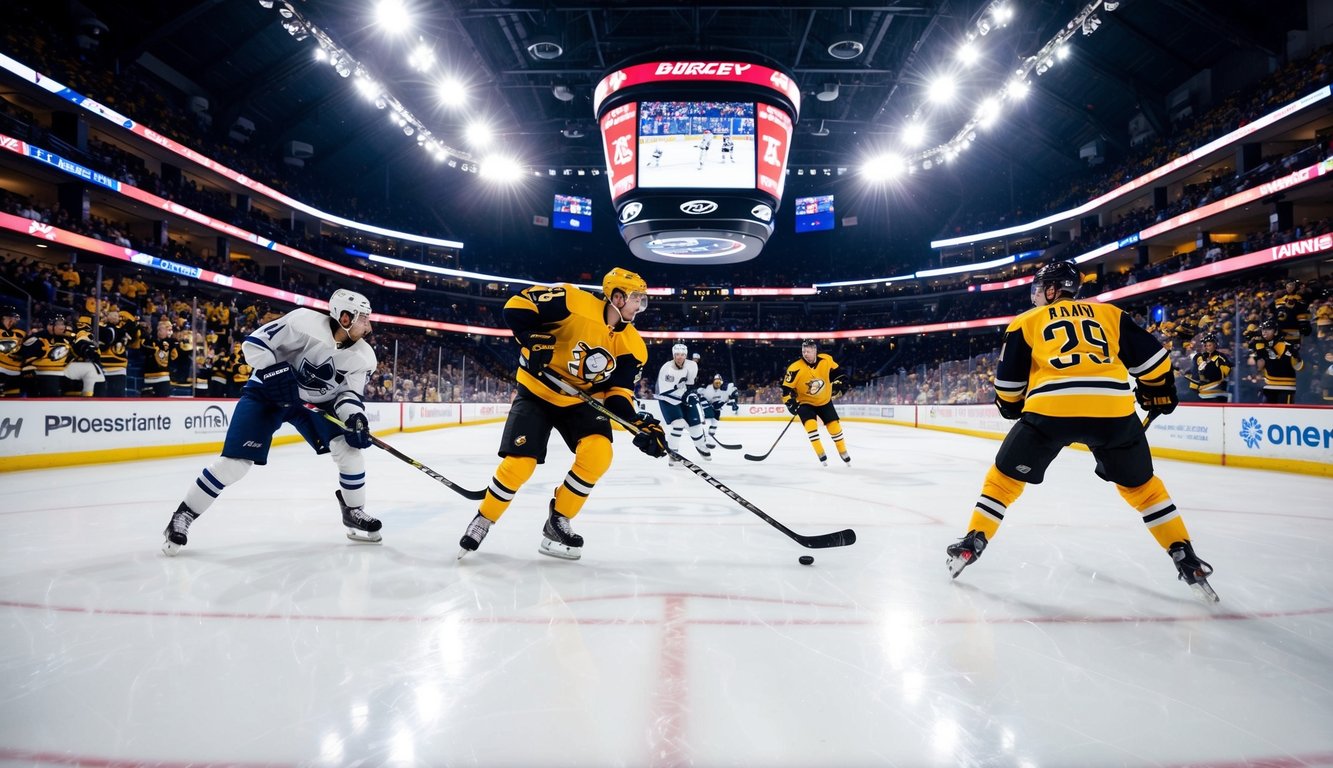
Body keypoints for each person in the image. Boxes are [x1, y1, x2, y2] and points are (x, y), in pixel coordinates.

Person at [945, 261, 1218, 601]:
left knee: (1003, 481)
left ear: (1051, 289)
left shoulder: (1027, 321)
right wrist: (1158, 390)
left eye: (1039, 288)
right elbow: (1155, 362)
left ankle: (974, 540)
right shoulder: (1109, 314)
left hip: (1050, 409)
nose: (1036, 294)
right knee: (1145, 491)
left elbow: (1008, 387)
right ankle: (1184, 554)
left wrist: (1012, 406)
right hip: (1114, 410)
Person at [458, 268, 667, 561]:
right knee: (520, 465)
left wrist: (638, 424)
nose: (640, 306)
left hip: (581, 401)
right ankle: (485, 518)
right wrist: (533, 337)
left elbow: (617, 394)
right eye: (636, 299)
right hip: (537, 391)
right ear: (617, 297)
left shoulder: (633, 346)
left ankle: (558, 521)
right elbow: (517, 305)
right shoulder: (572, 300)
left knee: (599, 454)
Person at [160, 289, 379, 555]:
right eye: (363, 318)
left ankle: (353, 510)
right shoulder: (301, 322)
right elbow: (253, 345)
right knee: (234, 465)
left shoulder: (364, 356)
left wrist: (355, 417)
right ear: (345, 317)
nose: (369, 325)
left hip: (315, 404)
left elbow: (348, 394)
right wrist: (275, 373)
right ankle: (182, 516)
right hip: (268, 394)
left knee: (349, 448)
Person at [781, 339, 849, 466]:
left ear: (815, 351)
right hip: (805, 402)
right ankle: (821, 453)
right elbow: (786, 389)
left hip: (824, 401)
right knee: (811, 426)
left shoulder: (826, 359)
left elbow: (838, 374)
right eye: (803, 351)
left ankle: (843, 451)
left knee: (835, 427)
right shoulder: (795, 368)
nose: (805, 353)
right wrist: (789, 402)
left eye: (808, 351)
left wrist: (842, 382)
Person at [656, 343, 711, 464]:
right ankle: (673, 453)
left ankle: (701, 446)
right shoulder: (667, 368)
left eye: (682, 355)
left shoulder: (692, 365)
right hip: (667, 399)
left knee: (695, 423)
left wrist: (692, 393)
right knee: (679, 424)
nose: (679, 357)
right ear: (673, 355)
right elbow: (665, 391)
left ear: (686, 355)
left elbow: (690, 384)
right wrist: (685, 394)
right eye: (677, 354)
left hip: (681, 395)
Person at [1250, 318, 1302, 404]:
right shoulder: (1260, 345)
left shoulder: (1287, 345)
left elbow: (1298, 366)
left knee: (1285, 414)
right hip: (1269, 385)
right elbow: (1260, 367)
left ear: (1276, 331)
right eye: (1263, 329)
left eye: (1268, 329)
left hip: (1287, 386)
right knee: (1267, 414)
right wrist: (1259, 351)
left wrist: (1295, 356)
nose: (1264, 332)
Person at [697, 373, 739, 448]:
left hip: (716, 408)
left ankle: (710, 436)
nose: (717, 384)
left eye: (719, 382)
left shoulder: (722, 390)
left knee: (715, 423)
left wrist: (732, 402)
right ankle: (707, 439)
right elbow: (702, 397)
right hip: (706, 407)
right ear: (713, 382)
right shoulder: (709, 390)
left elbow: (726, 398)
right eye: (716, 382)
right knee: (708, 421)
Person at [1188, 333, 1232, 402]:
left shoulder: (1221, 357)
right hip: (1200, 394)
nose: (1206, 347)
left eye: (1209, 345)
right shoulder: (1198, 357)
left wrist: (1208, 367)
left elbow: (1225, 373)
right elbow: (1194, 376)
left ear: (1215, 345)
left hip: (1217, 394)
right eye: (1204, 345)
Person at [0, 305, 25, 397]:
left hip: (16, 371)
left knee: (13, 400)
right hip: (1, 369)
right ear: (4, 317)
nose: (16, 320)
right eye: (14, 317)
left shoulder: (21, 333)